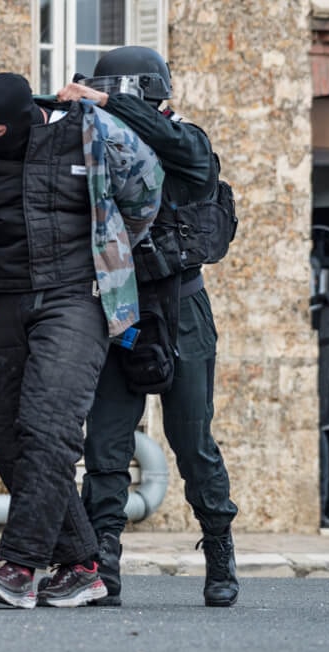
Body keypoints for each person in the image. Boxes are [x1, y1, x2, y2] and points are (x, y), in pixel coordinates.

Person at [0, 72, 163, 608]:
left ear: (23, 119)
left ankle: (19, 566)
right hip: (9, 299)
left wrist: (109, 254)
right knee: (7, 439)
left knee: (49, 427)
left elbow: (146, 194)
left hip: (76, 297)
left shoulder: (96, 133)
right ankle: (84, 566)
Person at [57, 45, 240, 607]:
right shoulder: (99, 146)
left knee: (192, 444)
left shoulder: (188, 144)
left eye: (118, 99)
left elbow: (184, 154)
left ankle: (218, 550)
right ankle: (103, 562)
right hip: (123, 313)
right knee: (107, 443)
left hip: (181, 312)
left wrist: (109, 100)